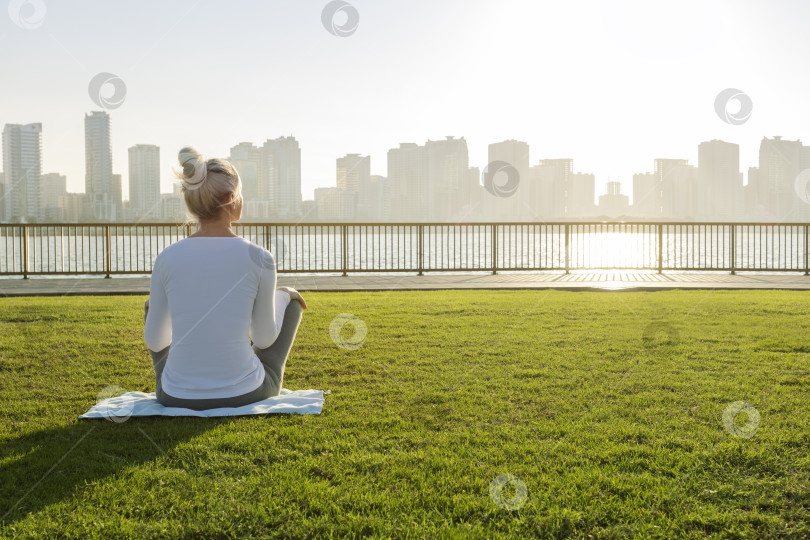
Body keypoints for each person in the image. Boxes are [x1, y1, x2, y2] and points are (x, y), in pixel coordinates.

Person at [143, 147, 307, 410]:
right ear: (233, 199)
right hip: (246, 393)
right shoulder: (260, 258)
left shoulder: (167, 257)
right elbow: (264, 339)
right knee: (292, 303)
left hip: (174, 395)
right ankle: (240, 368)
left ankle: (185, 378)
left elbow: (155, 341)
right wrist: (284, 294)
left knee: (153, 306)